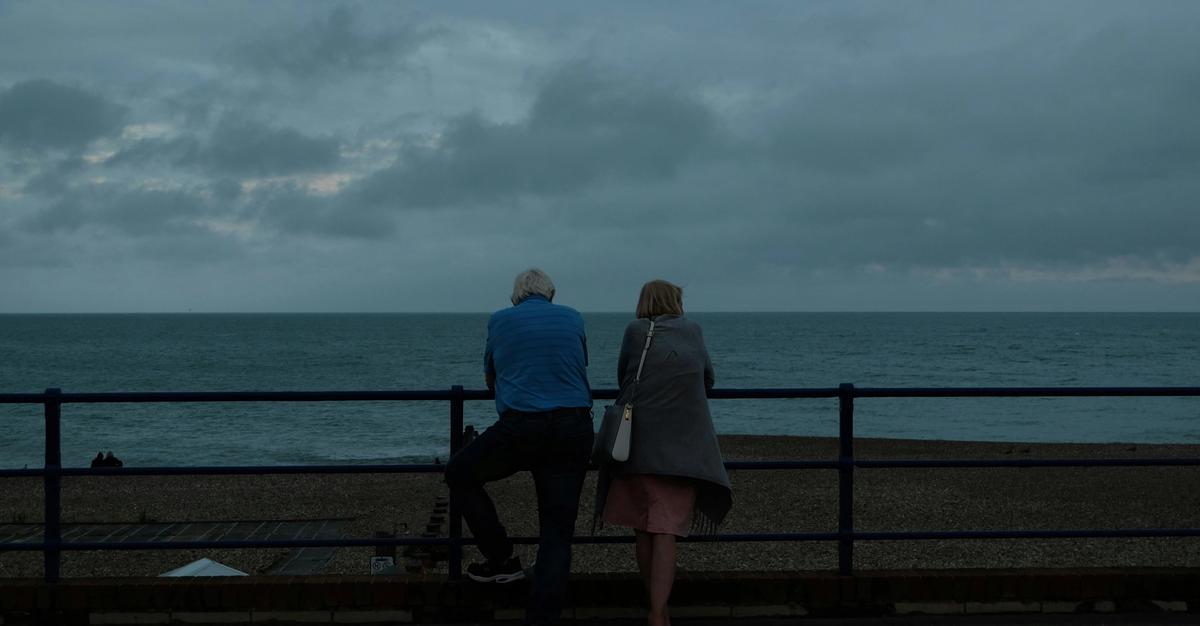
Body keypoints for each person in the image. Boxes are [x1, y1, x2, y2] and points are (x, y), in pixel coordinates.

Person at [444, 268, 593, 626]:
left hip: (523, 426)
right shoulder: (573, 317)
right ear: (550, 294)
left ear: (517, 296)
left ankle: (501, 559)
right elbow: (578, 365)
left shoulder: (500, 321)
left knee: (459, 473)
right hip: (574, 426)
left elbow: (490, 378)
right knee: (556, 533)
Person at [594, 279, 732, 626]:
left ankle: (658, 609)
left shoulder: (635, 331)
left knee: (643, 529)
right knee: (666, 530)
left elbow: (624, 376)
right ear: (676, 301)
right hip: (682, 450)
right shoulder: (693, 331)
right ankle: (659, 613)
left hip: (637, 446)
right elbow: (708, 378)